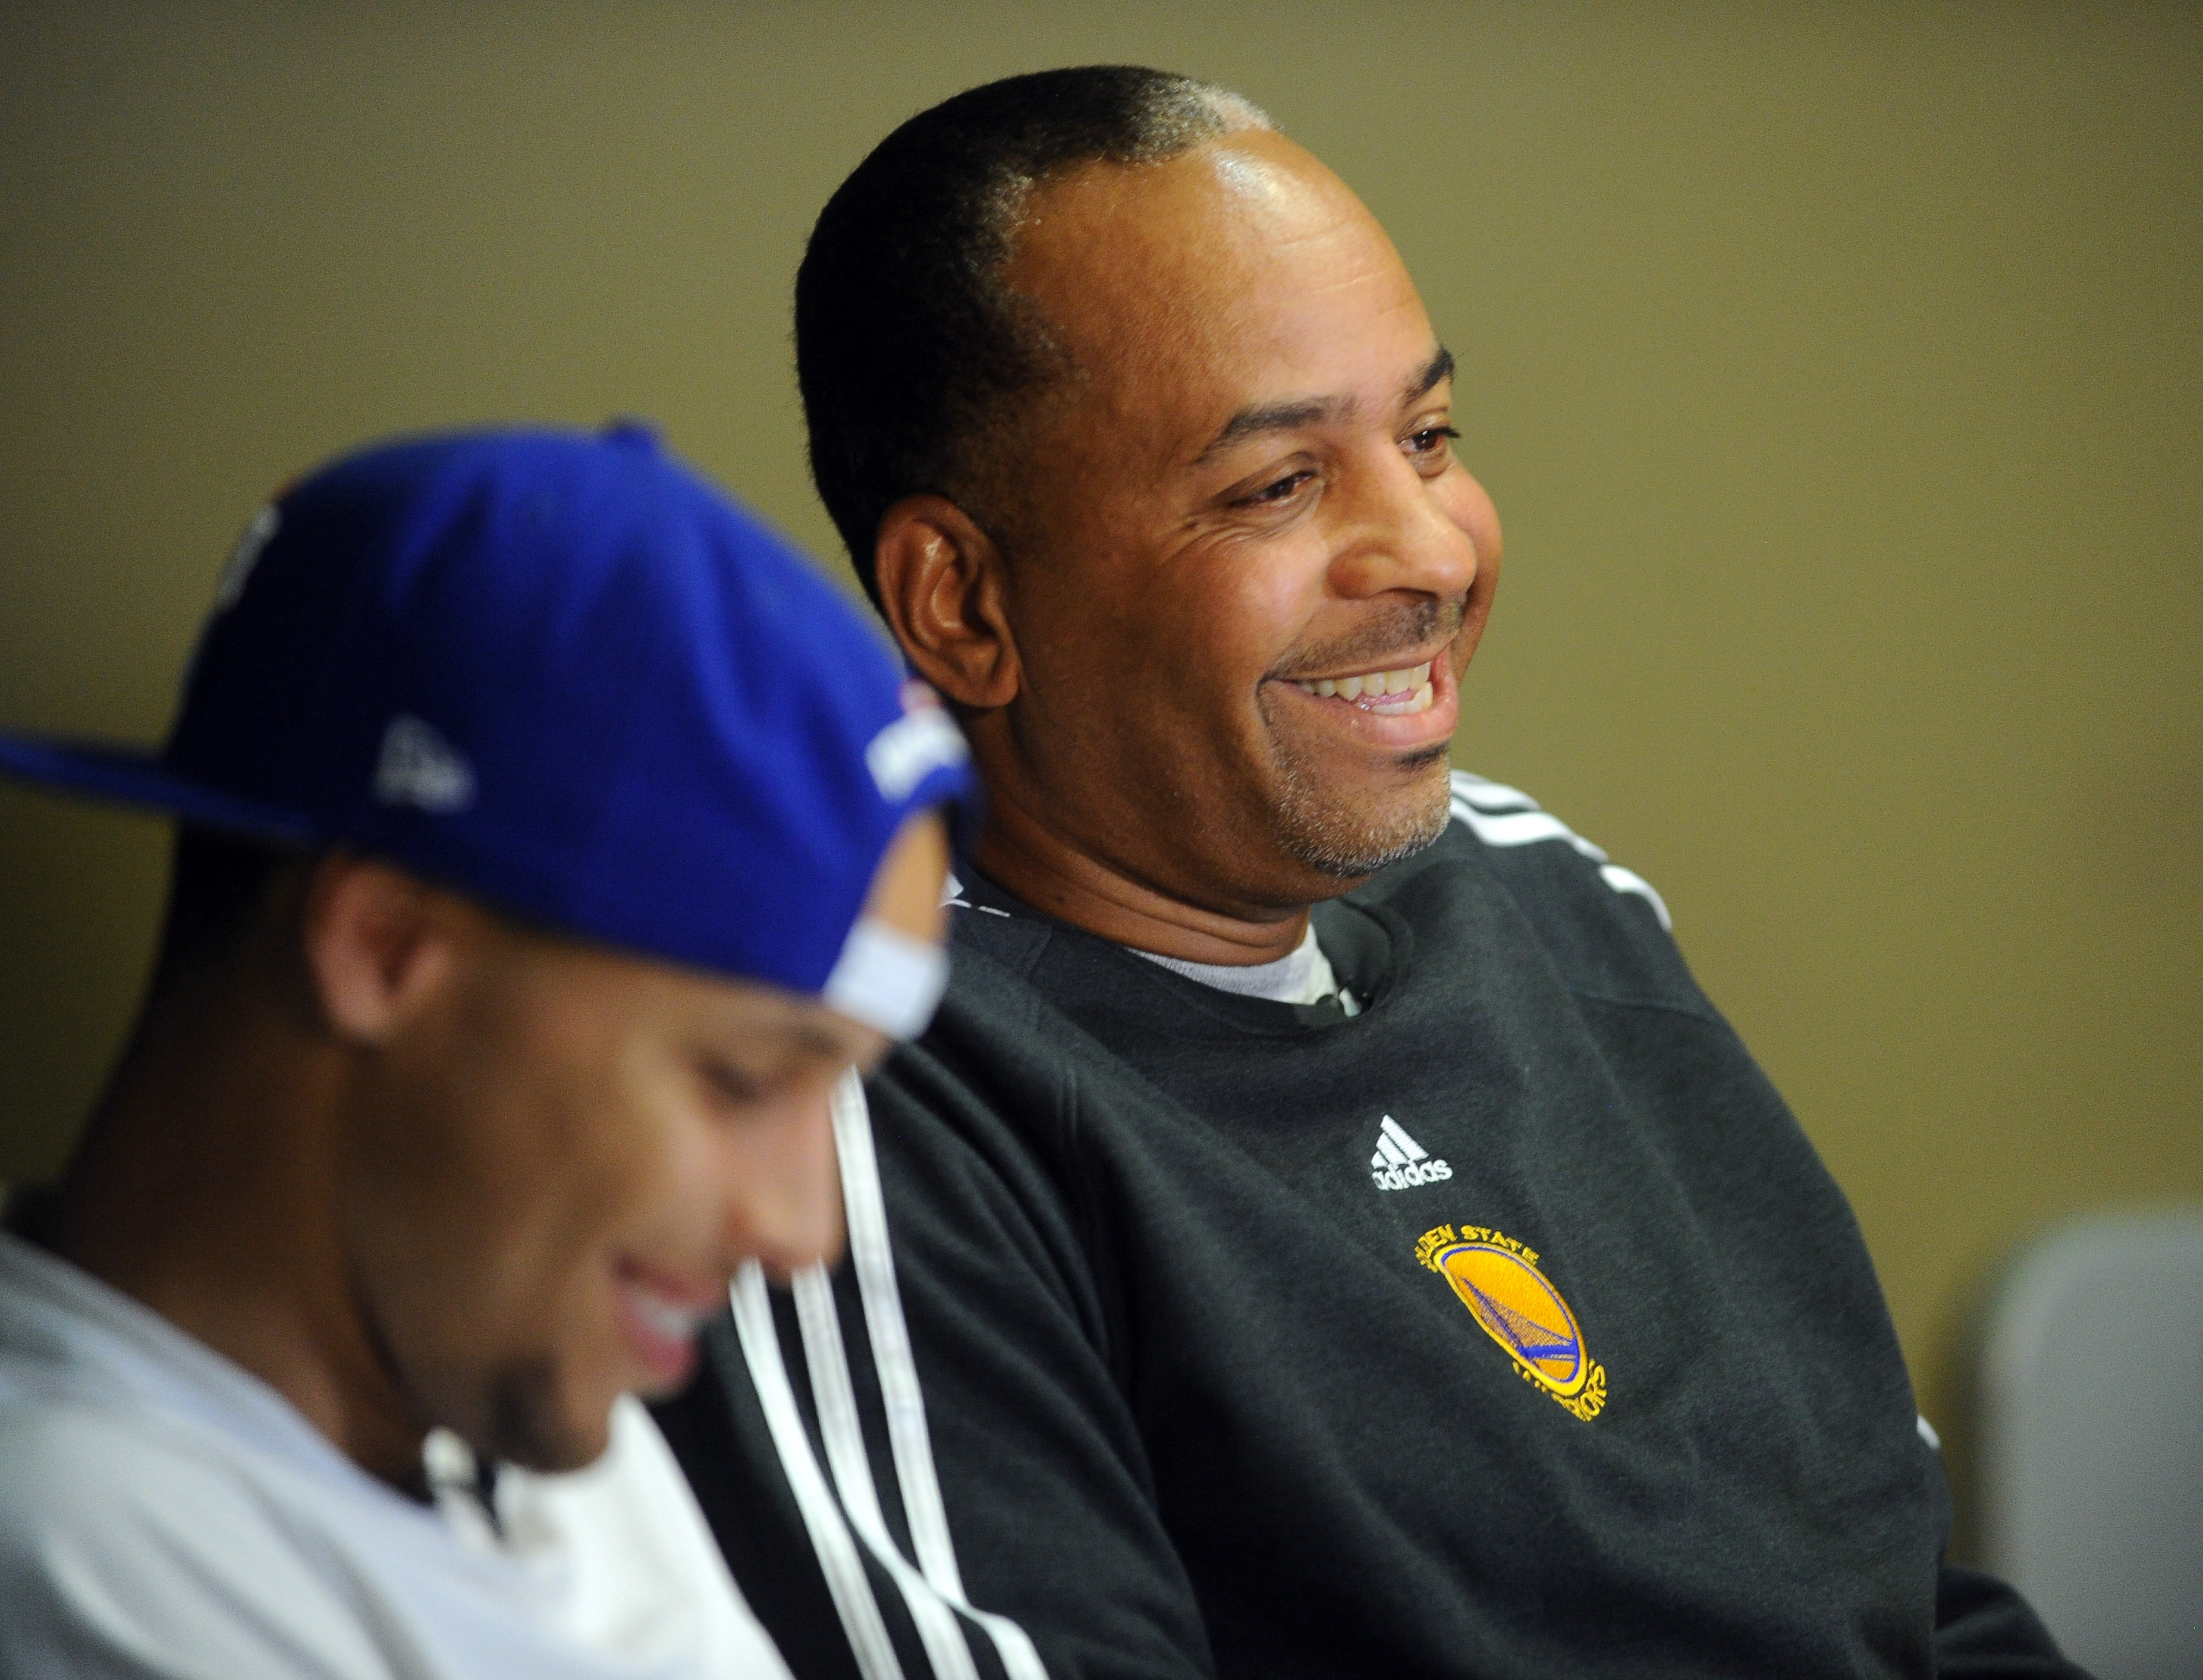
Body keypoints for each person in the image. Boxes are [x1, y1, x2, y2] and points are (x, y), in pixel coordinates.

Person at [656, 68, 2089, 1679]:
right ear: (962, 604)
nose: (1427, 550)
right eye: (1276, 485)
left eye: (1427, 435)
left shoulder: (1544, 888)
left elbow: (1907, 1601)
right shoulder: (846, 1095)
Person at [0, 423, 973, 1678]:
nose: (803, 1232)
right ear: (386, 945)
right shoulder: (85, 1551)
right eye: (742, 1077)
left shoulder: (505, 1372)